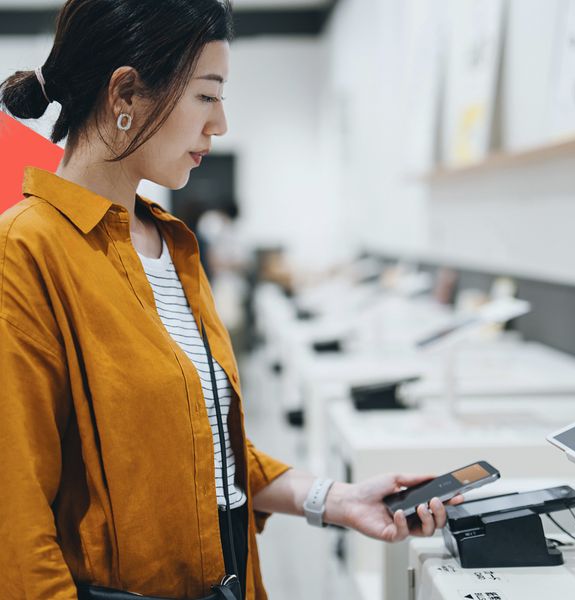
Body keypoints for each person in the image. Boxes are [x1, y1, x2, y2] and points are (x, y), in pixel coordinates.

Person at [0, 2, 460, 599]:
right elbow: (16, 516)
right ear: (127, 93)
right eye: (207, 96)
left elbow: (203, 447)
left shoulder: (172, 243)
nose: (220, 124)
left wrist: (336, 498)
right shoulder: (26, 250)